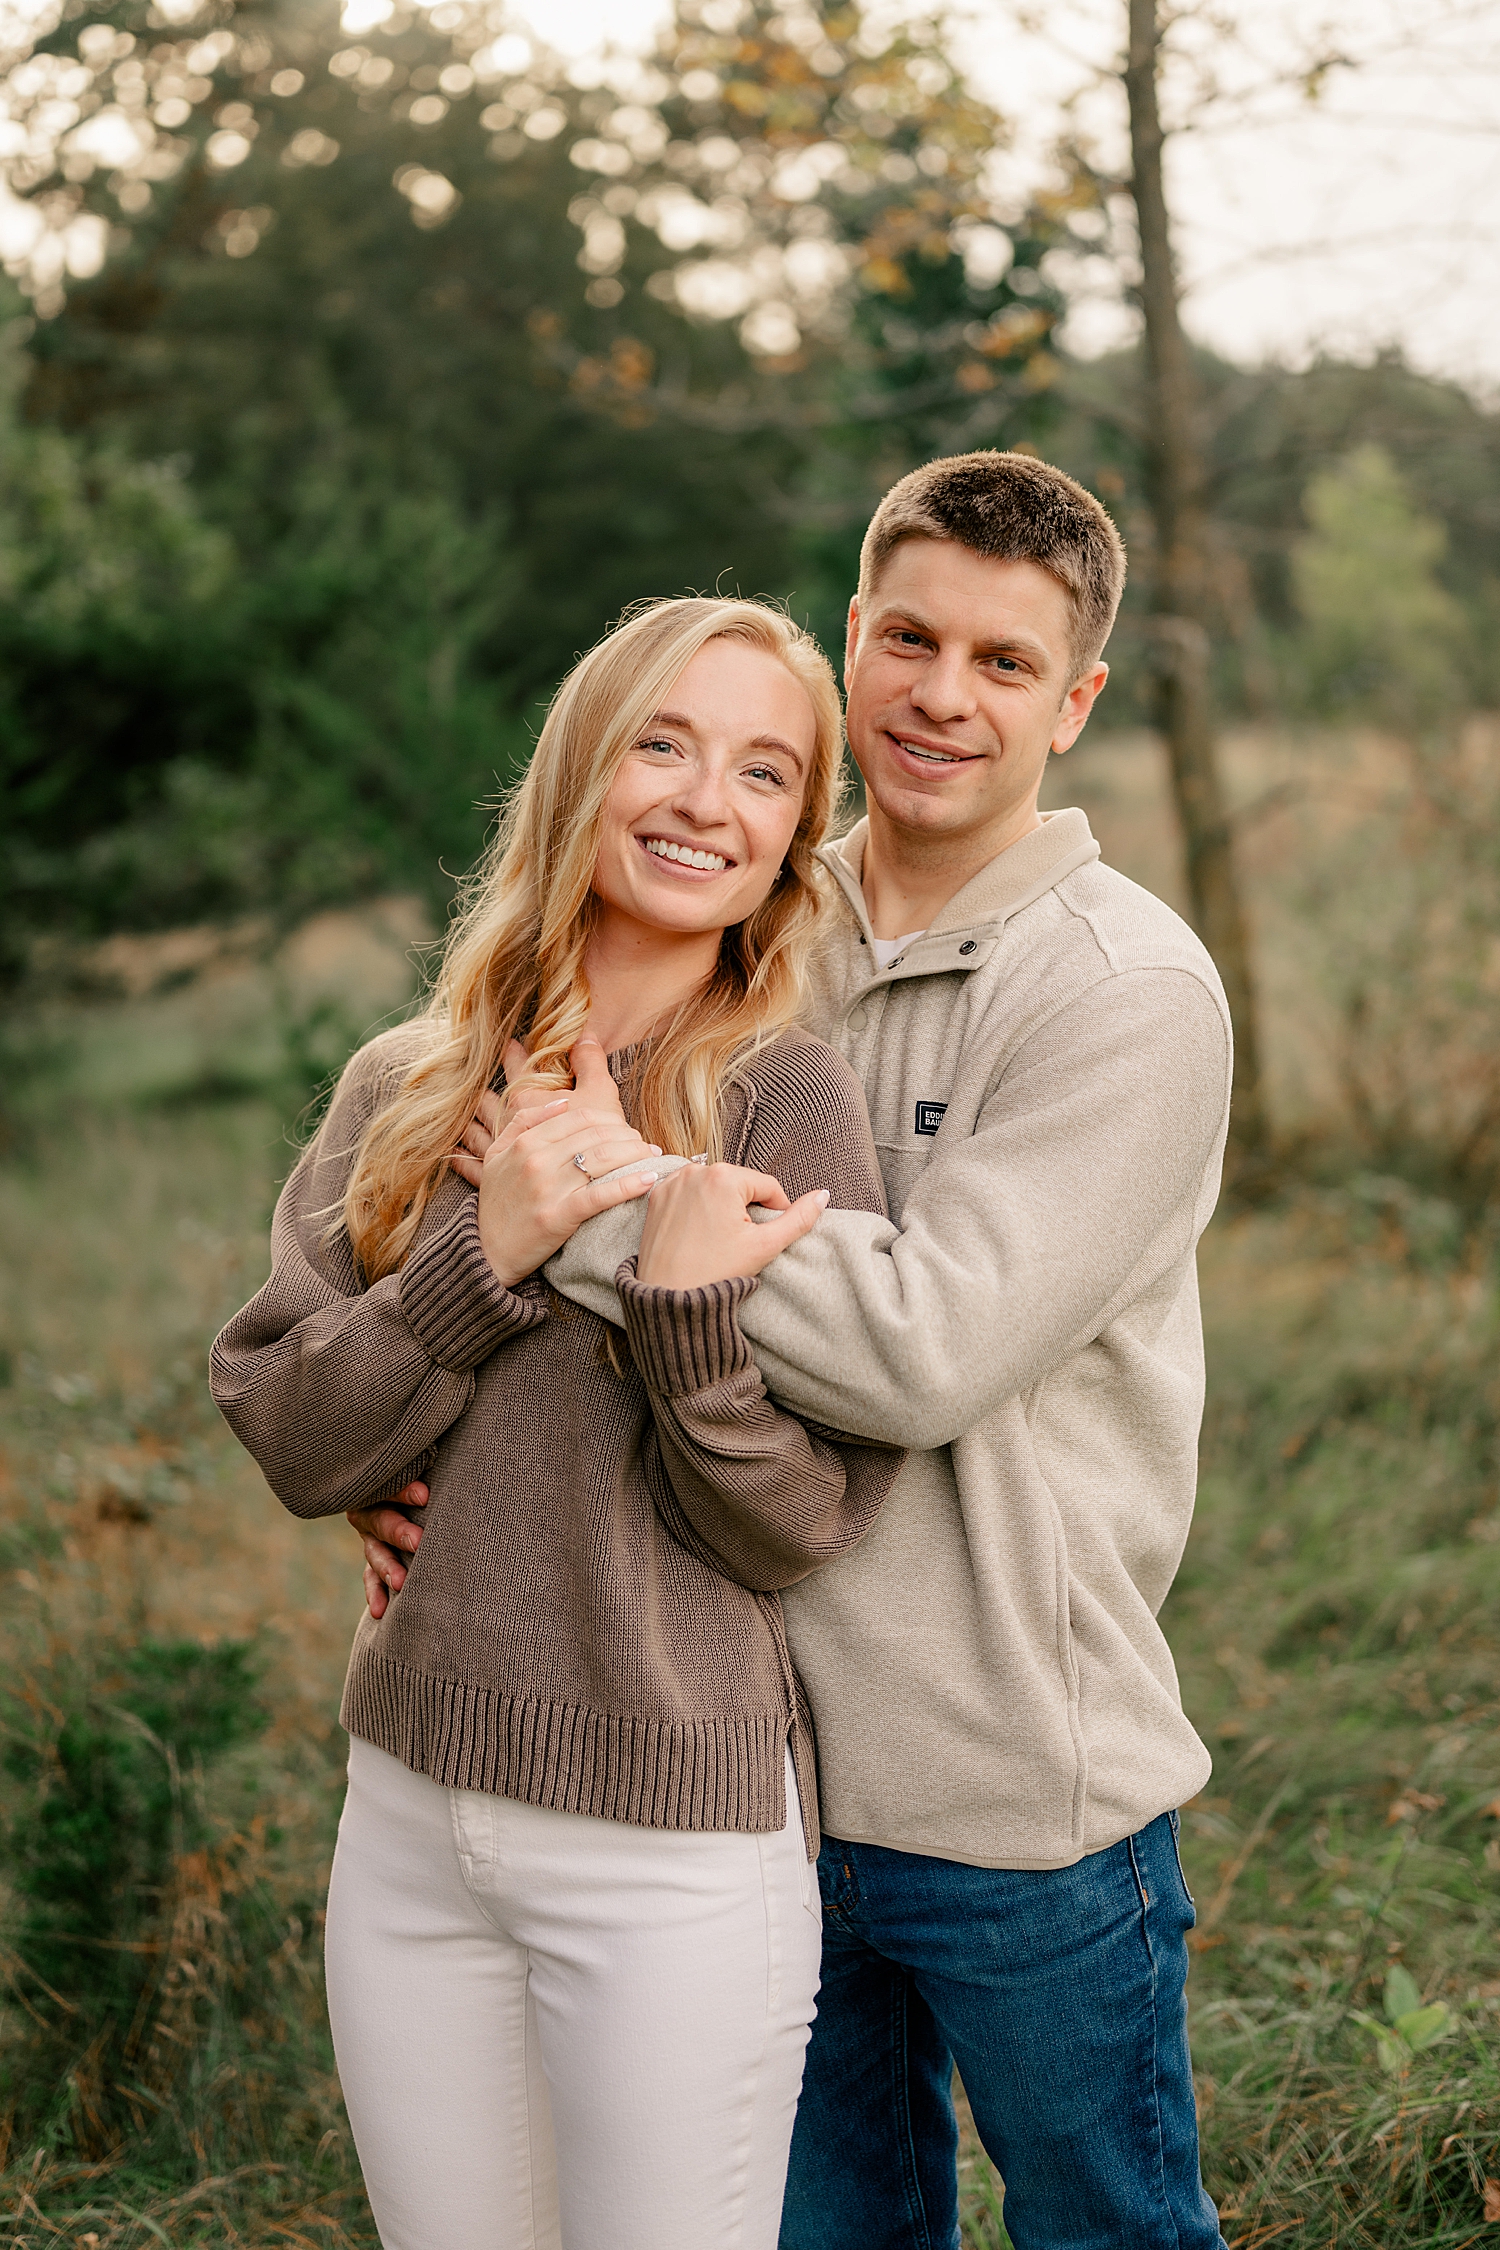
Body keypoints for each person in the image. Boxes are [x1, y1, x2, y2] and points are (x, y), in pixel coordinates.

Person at [357, 451, 1234, 2247]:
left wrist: (585, 1195)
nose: (938, 694)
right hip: (726, 1773)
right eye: (907, 637)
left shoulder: (1124, 991)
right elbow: (455, 1232)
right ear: (851, 638)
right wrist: (397, 1461)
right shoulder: (738, 914)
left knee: (1108, 2230)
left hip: (1006, 1784)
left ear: (1072, 705)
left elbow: (923, 1348)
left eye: (1003, 663)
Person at [209, 596, 907, 2250]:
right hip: (406, 1810)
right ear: (581, 769)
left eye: (760, 773)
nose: (700, 801)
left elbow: (799, 1524)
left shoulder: (782, 1098)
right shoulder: (409, 1079)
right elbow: (293, 1429)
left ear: (792, 842)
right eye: (662, 743)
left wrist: (676, 1315)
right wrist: (487, 1250)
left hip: (667, 1847)